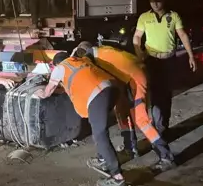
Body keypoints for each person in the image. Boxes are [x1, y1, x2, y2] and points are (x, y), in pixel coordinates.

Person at [74, 41, 176, 171]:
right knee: (121, 111)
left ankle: (166, 156)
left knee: (140, 120)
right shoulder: (102, 52)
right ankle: (130, 148)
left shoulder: (98, 59)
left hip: (136, 78)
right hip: (128, 78)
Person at [35, 51, 127, 186]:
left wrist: (41, 93)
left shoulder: (60, 68)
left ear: (56, 64)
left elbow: (49, 91)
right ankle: (103, 159)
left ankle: (117, 178)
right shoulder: (80, 61)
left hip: (98, 95)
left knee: (100, 134)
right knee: (98, 126)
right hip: (111, 89)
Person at [133, 0, 196, 137]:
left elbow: (182, 35)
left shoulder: (173, 16)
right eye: (152, 1)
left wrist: (191, 56)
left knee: (166, 94)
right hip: (152, 60)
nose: (155, 4)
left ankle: (163, 126)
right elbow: (137, 36)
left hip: (169, 61)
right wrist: (139, 53)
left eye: (158, 0)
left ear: (164, 0)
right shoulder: (144, 17)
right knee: (155, 94)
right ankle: (158, 128)